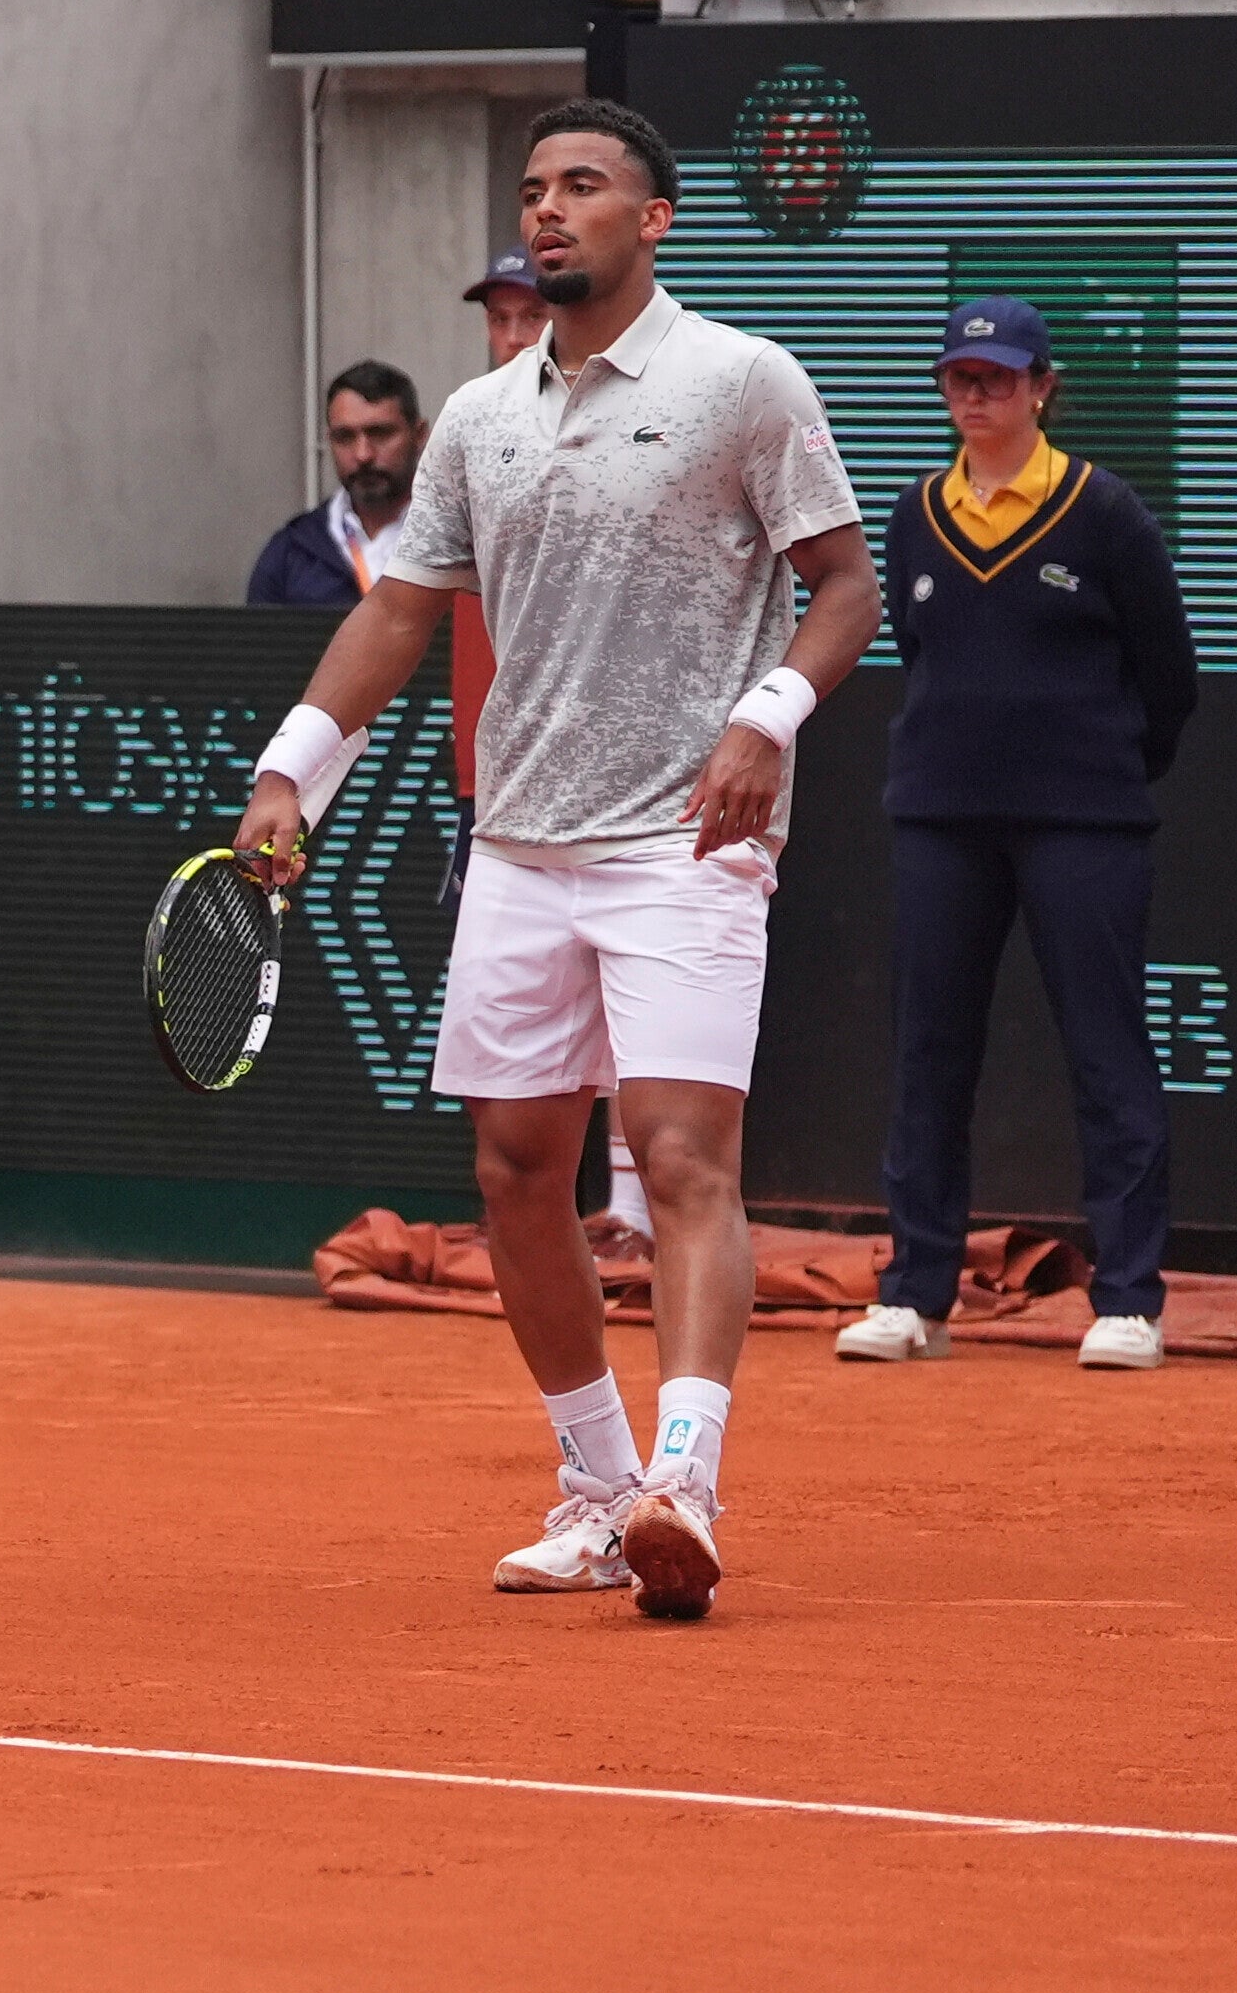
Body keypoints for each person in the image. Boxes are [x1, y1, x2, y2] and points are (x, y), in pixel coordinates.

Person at [236, 101, 870, 1622]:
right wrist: (292, 767)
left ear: (653, 218)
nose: (548, 209)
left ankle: (685, 1481)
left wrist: (765, 719)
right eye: (532, 187)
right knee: (516, 1172)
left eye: (582, 184)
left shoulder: (742, 382)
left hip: (685, 838)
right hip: (520, 843)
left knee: (677, 1154)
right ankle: (597, 1486)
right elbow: (399, 615)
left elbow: (841, 583)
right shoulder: (475, 417)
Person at [830, 296, 1191, 1372]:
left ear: (1041, 385)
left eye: (997, 375)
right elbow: (919, 647)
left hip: (1083, 820)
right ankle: (915, 1292)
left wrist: (1101, 769)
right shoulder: (909, 516)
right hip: (940, 819)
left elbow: (1164, 677)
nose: (977, 392)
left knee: (1105, 1050)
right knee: (928, 1050)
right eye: (959, 376)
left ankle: (1126, 1298)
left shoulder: (1104, 511)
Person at [250, 358, 425, 604]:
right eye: (345, 437)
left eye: (380, 434)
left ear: (419, 435)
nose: (363, 454)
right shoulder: (289, 554)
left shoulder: (463, 543)